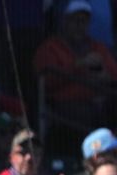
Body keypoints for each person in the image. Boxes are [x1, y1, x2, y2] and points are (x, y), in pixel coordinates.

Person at [34, 0, 117, 156]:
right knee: (87, 117)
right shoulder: (50, 47)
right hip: (67, 104)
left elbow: (114, 74)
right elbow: (47, 81)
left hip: (100, 99)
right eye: (75, 20)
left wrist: (105, 75)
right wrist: (78, 64)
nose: (79, 26)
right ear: (64, 21)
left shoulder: (97, 47)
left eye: (83, 21)